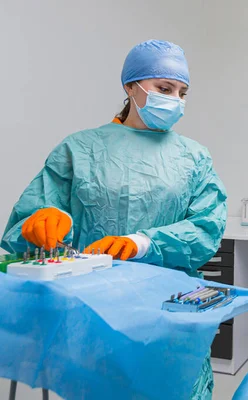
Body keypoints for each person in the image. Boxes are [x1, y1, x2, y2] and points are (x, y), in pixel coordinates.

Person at [1, 39, 227, 400]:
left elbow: (206, 228)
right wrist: (41, 218)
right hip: (95, 314)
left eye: (182, 92)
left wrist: (143, 243)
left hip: (168, 310)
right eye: (164, 88)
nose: (175, 100)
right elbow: (25, 227)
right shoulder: (79, 149)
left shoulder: (194, 158)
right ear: (131, 87)